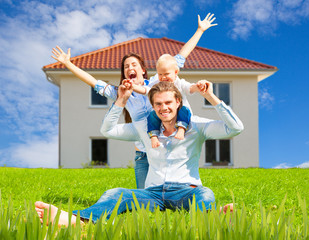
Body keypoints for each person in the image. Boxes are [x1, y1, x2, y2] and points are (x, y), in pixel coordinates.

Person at [35, 80, 244, 226]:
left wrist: (210, 96)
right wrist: (121, 101)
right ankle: (77, 221)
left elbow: (236, 128)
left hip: (186, 191)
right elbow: (106, 130)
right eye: (158, 104)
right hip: (152, 193)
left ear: (178, 102)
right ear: (153, 106)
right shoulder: (144, 126)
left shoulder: (196, 125)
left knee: (205, 193)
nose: (164, 108)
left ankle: (210, 221)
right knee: (116, 193)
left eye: (168, 102)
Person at [50, 13, 217, 189]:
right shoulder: (121, 93)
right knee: (144, 201)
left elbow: (180, 56)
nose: (130, 68)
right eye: (126, 66)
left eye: (134, 65)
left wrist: (200, 30)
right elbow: (93, 82)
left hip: (169, 146)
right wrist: (68, 64)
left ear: (143, 69)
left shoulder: (156, 82)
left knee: (176, 195)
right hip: (144, 154)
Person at [124, 54, 208, 148]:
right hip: (165, 115)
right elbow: (145, 90)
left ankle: (181, 129)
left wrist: (198, 86)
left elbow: (189, 88)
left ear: (175, 72)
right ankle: (154, 136)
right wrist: (133, 86)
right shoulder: (157, 84)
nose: (163, 77)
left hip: (180, 113)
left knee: (184, 109)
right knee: (152, 115)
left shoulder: (179, 83)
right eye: (160, 74)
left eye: (166, 74)